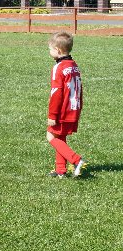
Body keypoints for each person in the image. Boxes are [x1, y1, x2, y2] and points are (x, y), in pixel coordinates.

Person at [46, 31, 86, 178]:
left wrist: (52, 115)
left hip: (63, 109)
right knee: (60, 136)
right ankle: (60, 170)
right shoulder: (74, 65)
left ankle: (76, 160)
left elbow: (56, 93)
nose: (49, 51)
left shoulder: (59, 68)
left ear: (58, 50)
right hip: (74, 107)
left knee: (51, 137)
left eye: (50, 49)